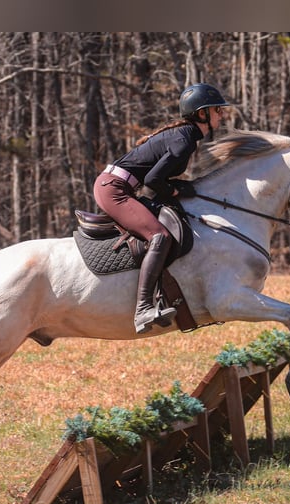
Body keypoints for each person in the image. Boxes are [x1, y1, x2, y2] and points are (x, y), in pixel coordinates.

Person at [93, 83, 230, 334]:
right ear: (202, 114)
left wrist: (176, 188)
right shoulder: (185, 139)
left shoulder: (186, 136)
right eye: (217, 110)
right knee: (160, 236)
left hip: (117, 185)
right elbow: (153, 181)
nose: (222, 114)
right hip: (114, 189)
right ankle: (143, 308)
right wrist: (177, 190)